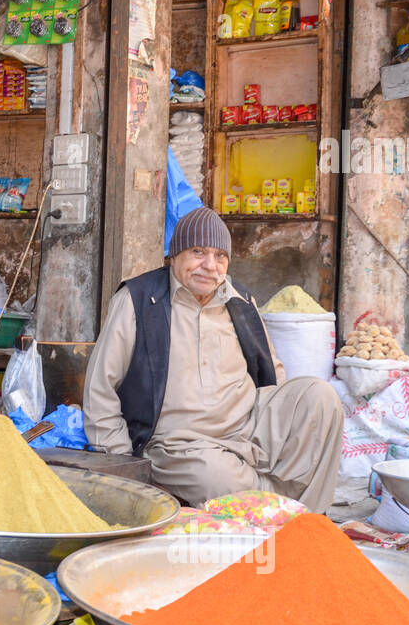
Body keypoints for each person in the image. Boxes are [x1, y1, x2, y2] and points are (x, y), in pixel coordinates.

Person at [83, 207, 344, 512]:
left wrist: (287, 428)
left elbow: (274, 373)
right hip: (181, 446)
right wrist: (122, 463)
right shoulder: (139, 300)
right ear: (174, 254)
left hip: (248, 426)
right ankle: (282, 506)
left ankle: (290, 514)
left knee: (320, 396)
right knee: (213, 476)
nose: (210, 266)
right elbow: (101, 388)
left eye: (220, 256)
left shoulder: (241, 300)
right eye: (198, 252)